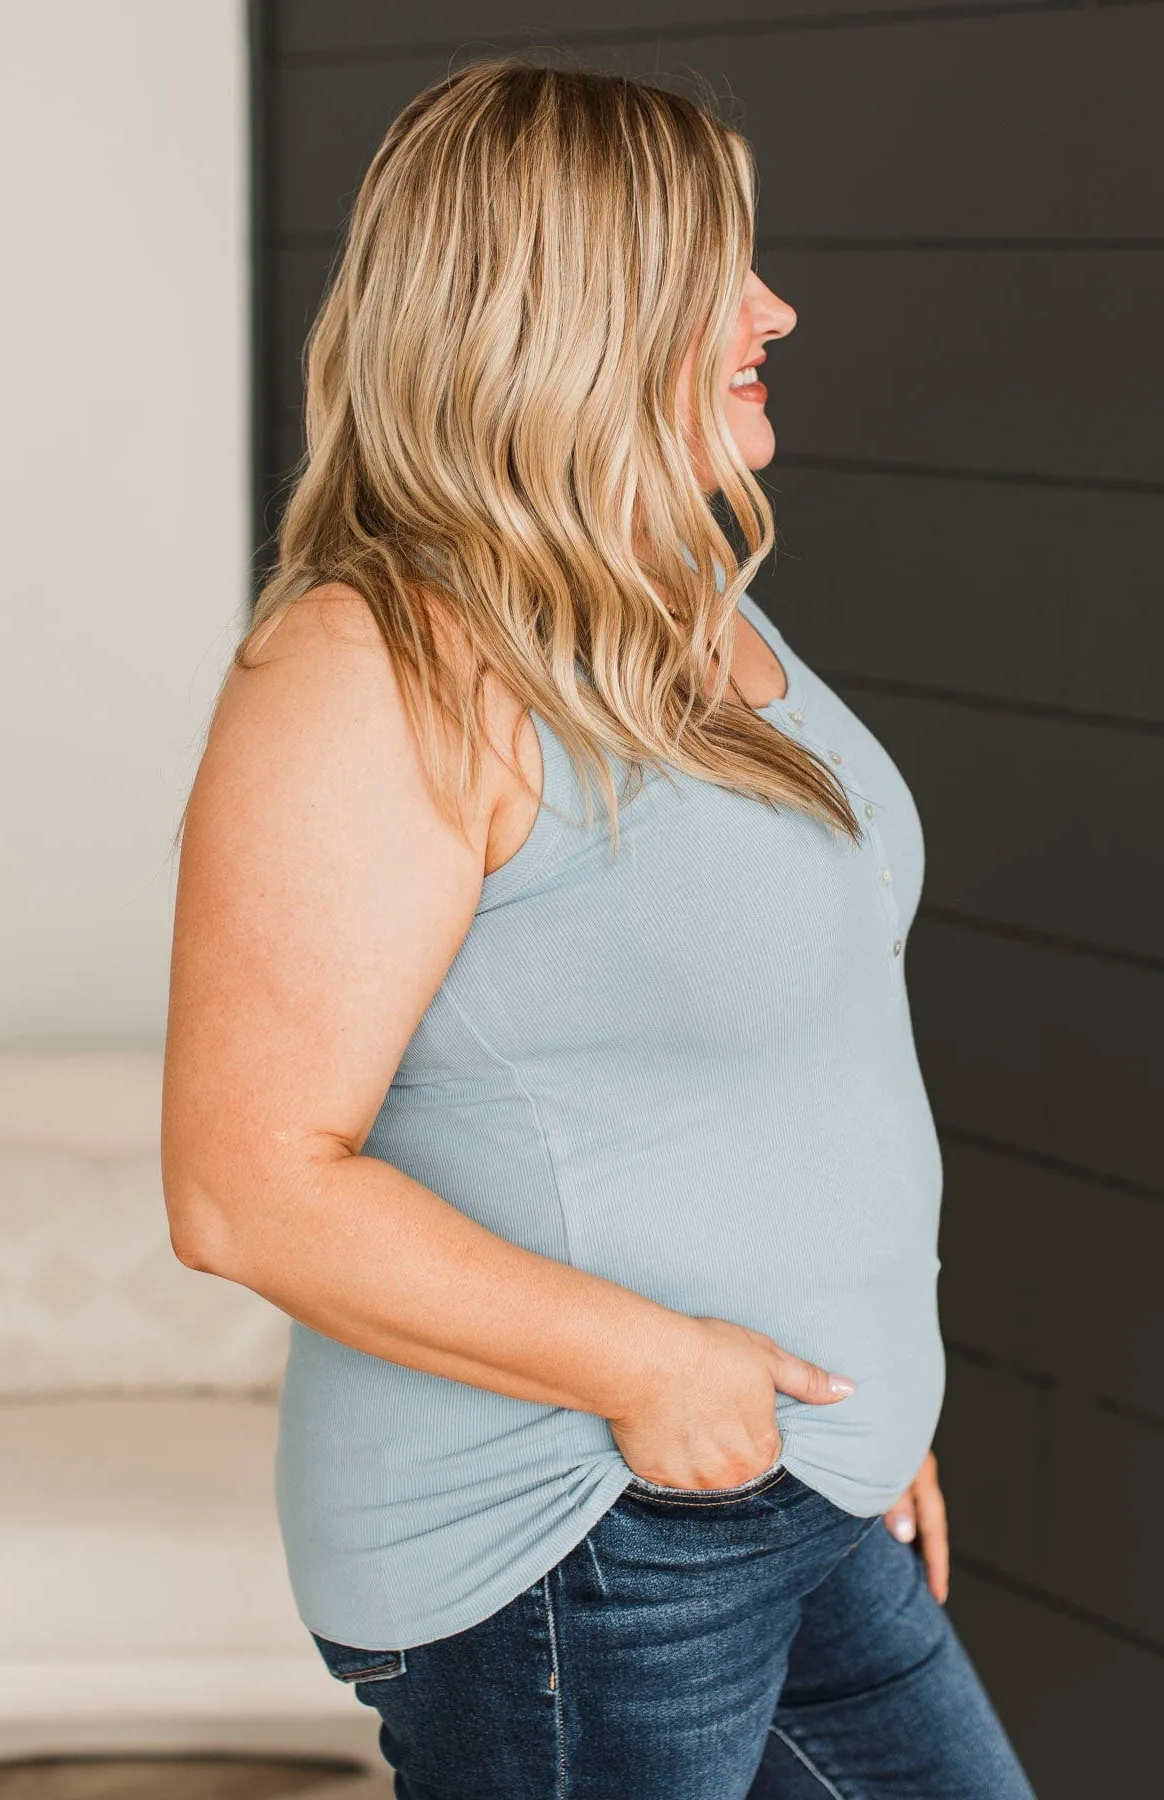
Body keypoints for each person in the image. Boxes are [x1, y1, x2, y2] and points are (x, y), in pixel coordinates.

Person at [162, 56, 1036, 1800]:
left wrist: (868, 1412)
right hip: (585, 1535)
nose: (774, 308)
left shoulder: (681, 602)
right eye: (718, 268)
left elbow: (791, 1048)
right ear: (565, 305)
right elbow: (242, 1185)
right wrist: (658, 1369)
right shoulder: (370, 666)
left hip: (798, 1485)